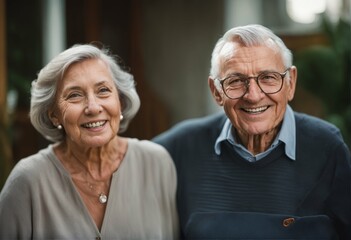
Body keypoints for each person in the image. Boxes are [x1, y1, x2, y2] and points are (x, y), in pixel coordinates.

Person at [153, 24, 351, 239]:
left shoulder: (327, 147)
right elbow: (122, 163)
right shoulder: (182, 146)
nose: (253, 95)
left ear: (290, 83)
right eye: (236, 81)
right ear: (216, 91)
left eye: (267, 77)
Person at [0, 44, 179, 239]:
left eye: (103, 90)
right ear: (54, 115)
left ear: (120, 101)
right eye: (75, 95)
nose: (93, 108)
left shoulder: (157, 163)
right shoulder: (28, 181)